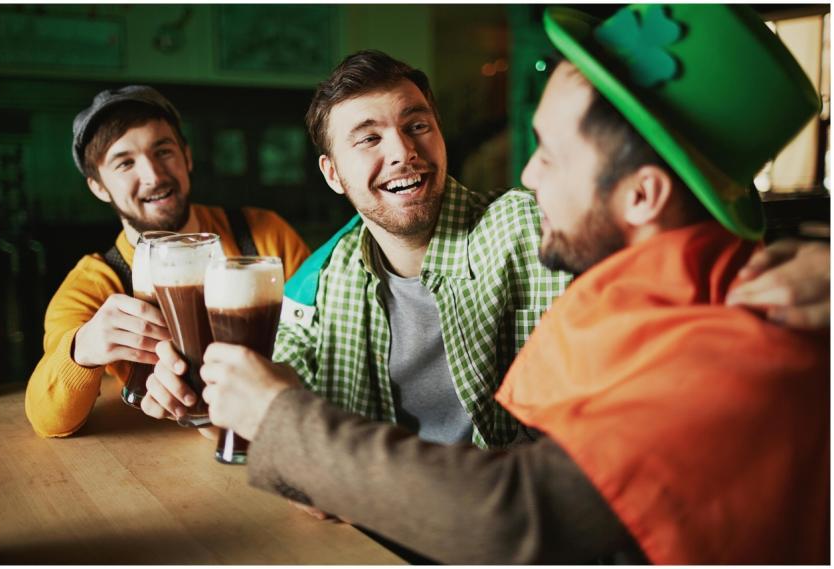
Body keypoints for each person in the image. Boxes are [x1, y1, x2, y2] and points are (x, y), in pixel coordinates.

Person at [185, 5, 828, 564]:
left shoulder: (728, 346)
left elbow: (517, 514)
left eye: (548, 153)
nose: (526, 174)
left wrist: (281, 421)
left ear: (642, 195)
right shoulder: (643, 296)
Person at [143, 50, 570, 449]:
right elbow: (269, 423)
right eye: (368, 139)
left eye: (417, 126)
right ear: (332, 174)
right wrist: (203, 406)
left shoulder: (534, 227)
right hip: (366, 523)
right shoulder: (320, 283)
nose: (404, 151)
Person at [25, 86, 310, 438]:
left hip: (271, 436)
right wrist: (81, 349)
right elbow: (47, 418)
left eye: (164, 151)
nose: (154, 174)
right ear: (98, 187)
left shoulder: (266, 236)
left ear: (187, 157)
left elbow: (323, 343)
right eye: (125, 162)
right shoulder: (96, 283)